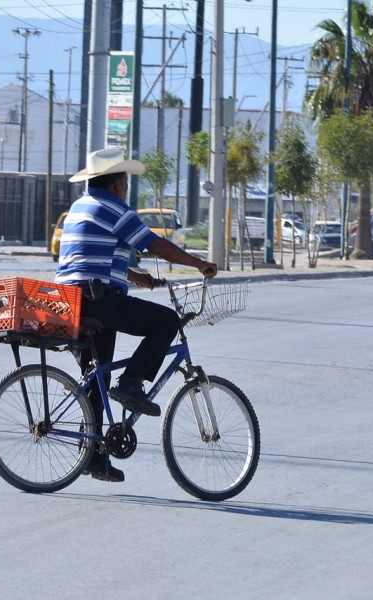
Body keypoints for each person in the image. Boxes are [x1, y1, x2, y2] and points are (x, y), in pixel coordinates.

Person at [55, 147, 217, 483]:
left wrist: (136, 277)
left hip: (71, 300)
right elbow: (153, 244)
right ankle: (131, 383)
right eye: (125, 182)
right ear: (116, 184)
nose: (126, 189)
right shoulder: (115, 207)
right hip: (99, 300)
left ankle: (94, 457)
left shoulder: (80, 207)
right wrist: (199, 264)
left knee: (95, 377)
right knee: (167, 321)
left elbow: (93, 256)